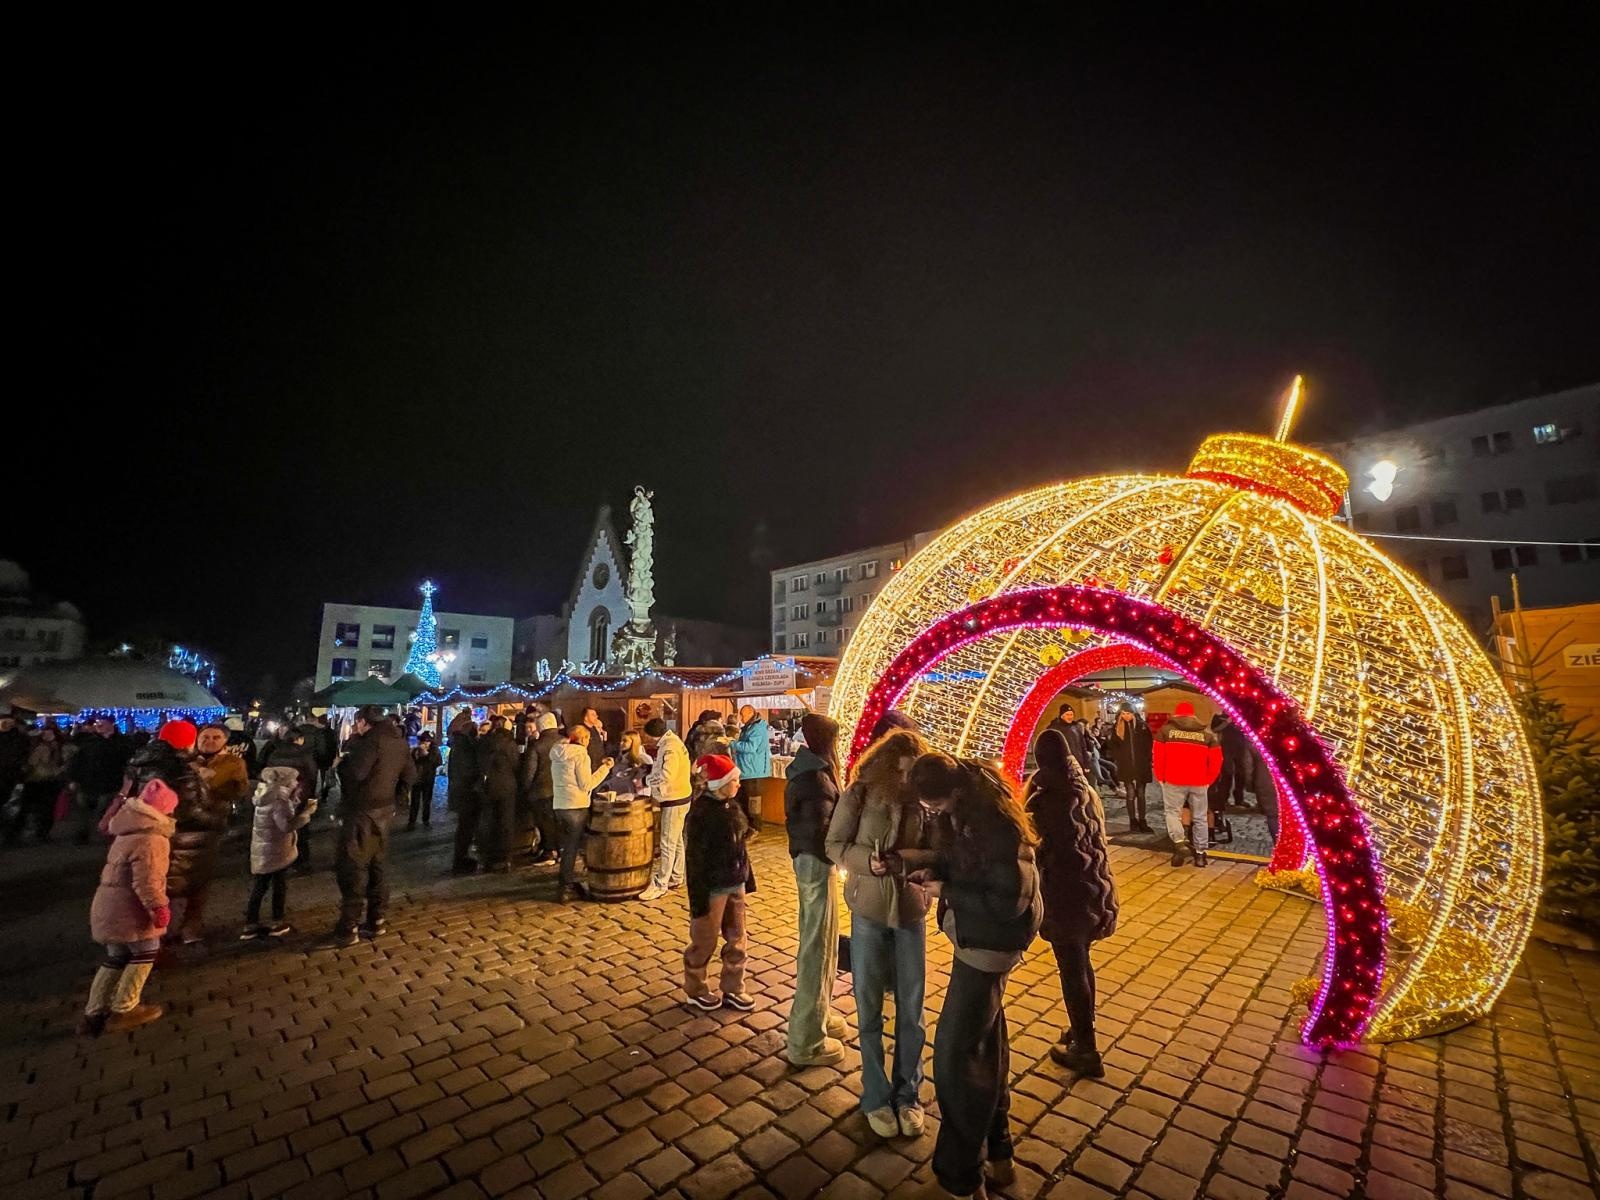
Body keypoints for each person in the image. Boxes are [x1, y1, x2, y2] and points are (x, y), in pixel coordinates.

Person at [906, 754, 1042, 1200]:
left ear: (955, 793)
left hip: (990, 945)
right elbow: (965, 865)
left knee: (955, 1060)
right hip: (978, 942)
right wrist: (936, 872)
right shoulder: (968, 814)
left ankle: (960, 1175)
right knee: (985, 1049)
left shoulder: (998, 827)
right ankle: (1000, 1155)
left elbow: (1008, 901)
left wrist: (948, 891)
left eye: (936, 806)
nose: (933, 814)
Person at [826, 726, 933, 1138]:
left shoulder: (923, 798)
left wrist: (906, 859)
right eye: (901, 772)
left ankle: (909, 1093)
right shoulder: (860, 792)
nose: (907, 780)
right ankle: (874, 1093)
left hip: (910, 910)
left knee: (912, 1007)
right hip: (868, 908)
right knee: (868, 1004)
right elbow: (834, 843)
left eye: (913, 773)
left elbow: (937, 849)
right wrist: (862, 862)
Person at [1027, 730, 1118, 1078]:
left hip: (1064, 898)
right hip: (1093, 891)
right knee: (1082, 963)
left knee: (1072, 969)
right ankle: (1083, 1030)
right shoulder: (1083, 789)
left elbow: (1037, 847)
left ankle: (1087, 1049)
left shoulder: (1048, 799)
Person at [79, 775, 179, 1036]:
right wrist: (159, 908)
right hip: (130, 909)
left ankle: (94, 1011)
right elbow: (148, 881)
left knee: (116, 957)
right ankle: (125, 1008)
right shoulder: (152, 839)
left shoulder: (126, 830)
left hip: (108, 905)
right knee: (146, 952)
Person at [784, 713, 846, 1067]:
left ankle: (819, 1013)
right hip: (816, 863)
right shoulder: (815, 780)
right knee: (816, 947)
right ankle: (806, 1040)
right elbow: (820, 832)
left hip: (815, 862)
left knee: (825, 942)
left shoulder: (811, 771)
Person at [331, 707, 414, 945]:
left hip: (361, 810)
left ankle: (349, 926)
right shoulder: (399, 742)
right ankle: (376, 918)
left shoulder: (368, 742)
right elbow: (410, 775)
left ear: (363, 722)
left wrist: (341, 764)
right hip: (384, 811)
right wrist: (395, 800)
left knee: (353, 866)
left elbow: (356, 773)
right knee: (378, 864)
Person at [682, 754, 756, 1011]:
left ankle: (734, 987)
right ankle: (696, 987)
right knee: (705, 939)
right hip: (712, 887)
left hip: (735, 882)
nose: (739, 784)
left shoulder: (732, 806)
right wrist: (698, 899)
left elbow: (740, 847)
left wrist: (747, 877)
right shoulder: (702, 814)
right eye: (734, 780)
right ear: (720, 784)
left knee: (737, 938)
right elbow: (696, 859)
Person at [241, 765, 317, 938]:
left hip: (263, 850)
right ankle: (277, 922)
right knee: (278, 886)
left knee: (260, 886)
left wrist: (294, 802)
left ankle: (250, 924)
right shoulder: (278, 801)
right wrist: (306, 814)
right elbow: (286, 825)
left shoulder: (265, 796)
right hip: (277, 851)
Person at [1152, 701, 1222, 867]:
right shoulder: (1207, 734)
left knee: (1172, 813)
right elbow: (1217, 760)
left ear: (1176, 715)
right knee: (1200, 817)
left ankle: (1179, 842)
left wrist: (1160, 777)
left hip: (1173, 780)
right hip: (1199, 781)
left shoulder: (1165, 731)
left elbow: (1157, 757)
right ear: (1193, 715)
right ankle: (1200, 855)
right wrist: (1208, 780)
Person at [549, 726, 613, 901]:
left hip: (560, 805)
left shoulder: (557, 752)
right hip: (576, 805)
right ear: (583, 738)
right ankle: (566, 886)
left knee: (568, 846)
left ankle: (570, 881)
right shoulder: (580, 755)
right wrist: (605, 768)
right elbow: (587, 784)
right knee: (572, 847)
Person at [639, 718, 692, 901]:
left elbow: (667, 775)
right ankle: (677, 876)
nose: (646, 739)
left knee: (667, 842)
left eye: (647, 736)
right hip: (681, 796)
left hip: (674, 798)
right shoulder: (673, 741)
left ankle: (661, 883)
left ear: (654, 735)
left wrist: (646, 781)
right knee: (676, 840)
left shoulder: (669, 747)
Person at [69, 715, 132, 844]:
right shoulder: (89, 742)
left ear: (111, 724)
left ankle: (100, 834)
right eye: (98, 722)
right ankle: (82, 835)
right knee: (83, 812)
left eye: (102, 722)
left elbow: (126, 763)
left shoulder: (121, 742)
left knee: (102, 810)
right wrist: (73, 778)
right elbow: (77, 761)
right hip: (87, 782)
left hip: (109, 783)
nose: (99, 725)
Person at [15, 725, 70, 843]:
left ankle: (42, 833)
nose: (47, 736)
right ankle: (18, 832)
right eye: (45, 734)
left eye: (50, 733)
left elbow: (61, 764)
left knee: (47, 809)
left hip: (50, 781)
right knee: (28, 807)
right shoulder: (39, 747)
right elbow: (32, 762)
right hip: (36, 780)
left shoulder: (59, 748)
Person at [478, 715, 520, 872]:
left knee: (489, 821)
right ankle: (505, 859)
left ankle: (488, 858)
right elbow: (516, 764)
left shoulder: (485, 741)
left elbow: (481, 762)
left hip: (489, 786)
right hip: (507, 785)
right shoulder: (510, 743)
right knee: (506, 822)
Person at [520, 713, 562, 865]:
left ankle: (549, 852)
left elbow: (530, 771)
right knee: (556, 821)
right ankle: (559, 850)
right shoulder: (564, 742)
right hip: (561, 788)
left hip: (541, 790)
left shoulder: (537, 745)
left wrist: (525, 788)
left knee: (544, 823)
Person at [447, 709, 483, 874]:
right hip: (466, 793)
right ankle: (460, 860)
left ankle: (461, 858)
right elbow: (468, 770)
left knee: (465, 827)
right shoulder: (465, 747)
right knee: (465, 828)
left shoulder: (458, 745)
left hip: (461, 792)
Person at [1109, 705, 1154, 834]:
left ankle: (1142, 820)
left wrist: (1147, 759)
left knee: (1141, 794)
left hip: (1141, 765)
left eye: (1128, 713)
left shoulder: (1142, 726)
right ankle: (1132, 821)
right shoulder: (1117, 727)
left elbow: (1148, 744)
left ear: (1133, 713)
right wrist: (1119, 758)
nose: (1125, 716)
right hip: (1126, 766)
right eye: (1123, 713)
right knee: (1130, 794)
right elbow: (1113, 746)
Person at [731, 704, 772, 835]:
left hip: (754, 771)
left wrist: (731, 743)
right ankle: (746, 827)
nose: (740, 717)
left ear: (750, 714)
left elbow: (750, 748)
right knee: (743, 800)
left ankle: (755, 827)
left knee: (753, 802)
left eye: (742, 715)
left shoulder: (758, 729)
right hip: (746, 770)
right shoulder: (749, 727)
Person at [1043, 704, 1092, 777]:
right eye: (1067, 714)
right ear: (1061, 715)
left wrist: (1086, 763)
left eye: (1071, 714)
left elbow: (1083, 746)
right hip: (1064, 766)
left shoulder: (1076, 727)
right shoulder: (1054, 729)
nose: (1070, 717)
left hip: (1079, 763)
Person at [408, 732, 442, 830]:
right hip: (417, 779)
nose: (425, 743)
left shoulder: (434, 750)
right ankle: (412, 821)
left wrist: (426, 754)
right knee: (415, 801)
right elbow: (412, 762)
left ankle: (426, 820)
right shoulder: (416, 750)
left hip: (428, 779)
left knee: (427, 801)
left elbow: (437, 762)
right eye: (423, 741)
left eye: (427, 741)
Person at [603, 732, 653, 796]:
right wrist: (607, 784)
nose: (621, 743)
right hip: (619, 797)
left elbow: (650, 779)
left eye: (625, 741)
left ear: (634, 742)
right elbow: (615, 777)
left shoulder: (644, 759)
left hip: (637, 798)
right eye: (621, 740)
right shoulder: (619, 759)